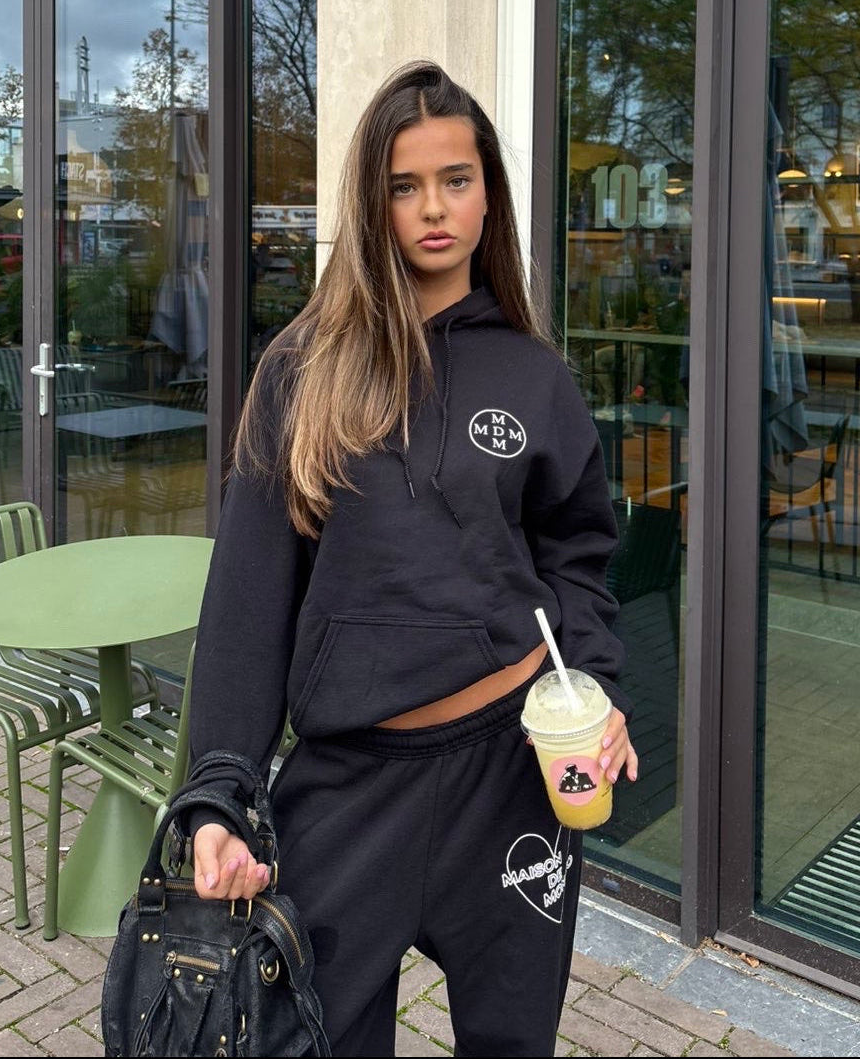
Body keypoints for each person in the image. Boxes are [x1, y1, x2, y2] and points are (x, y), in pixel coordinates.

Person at [188, 61, 638, 1057]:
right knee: (315, 1037)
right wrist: (217, 793)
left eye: (455, 179)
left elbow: (577, 556)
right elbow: (247, 603)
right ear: (371, 203)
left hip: (510, 776)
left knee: (511, 1040)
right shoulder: (303, 370)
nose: (433, 208)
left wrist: (595, 691)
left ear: (488, 196)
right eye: (404, 185)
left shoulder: (534, 376)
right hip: (350, 783)